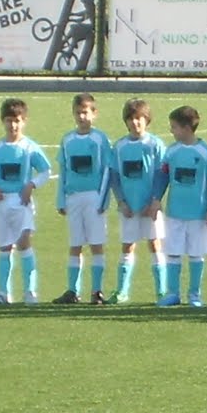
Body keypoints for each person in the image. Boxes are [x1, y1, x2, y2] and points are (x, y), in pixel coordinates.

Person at [0, 98, 52, 304]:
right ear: (3, 121)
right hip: (1, 203)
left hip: (22, 203)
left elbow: (46, 170)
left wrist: (31, 185)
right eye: (9, 120)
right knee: (4, 247)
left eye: (17, 121)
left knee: (23, 243)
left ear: (24, 121)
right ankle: (3, 292)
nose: (13, 125)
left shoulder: (29, 147)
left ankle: (30, 291)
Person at [153, 105, 207, 307]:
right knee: (173, 251)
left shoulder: (203, 151)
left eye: (173, 127)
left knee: (195, 253)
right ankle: (173, 293)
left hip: (198, 214)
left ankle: (195, 295)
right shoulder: (172, 151)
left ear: (185, 128)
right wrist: (157, 198)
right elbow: (163, 175)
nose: (171, 131)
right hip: (175, 212)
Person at [53, 93, 114, 304]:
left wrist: (104, 199)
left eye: (85, 112)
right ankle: (72, 290)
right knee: (75, 244)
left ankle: (96, 290)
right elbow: (63, 171)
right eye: (78, 112)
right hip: (73, 197)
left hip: (93, 197)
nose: (81, 116)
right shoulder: (67, 139)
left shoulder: (100, 139)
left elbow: (108, 170)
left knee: (96, 244)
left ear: (94, 114)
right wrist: (61, 199)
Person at [107, 99, 166, 303]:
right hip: (129, 207)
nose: (135, 123)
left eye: (139, 118)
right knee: (127, 246)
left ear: (147, 120)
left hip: (150, 207)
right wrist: (121, 201)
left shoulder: (155, 144)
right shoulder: (120, 146)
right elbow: (114, 177)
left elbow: (161, 174)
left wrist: (156, 200)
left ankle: (162, 292)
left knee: (155, 244)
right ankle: (122, 291)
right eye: (131, 119)